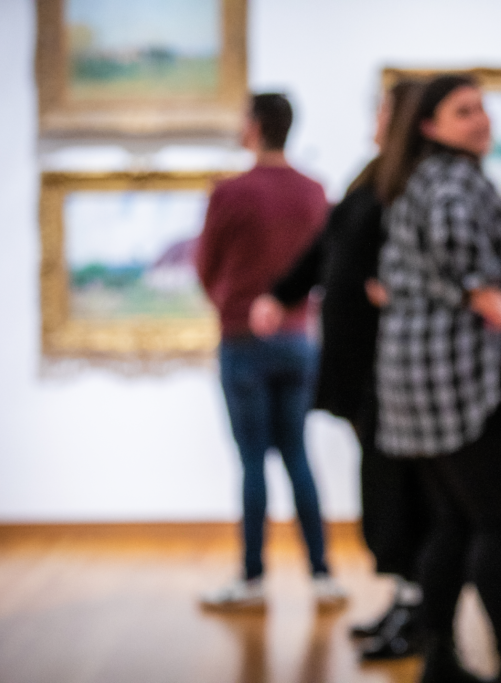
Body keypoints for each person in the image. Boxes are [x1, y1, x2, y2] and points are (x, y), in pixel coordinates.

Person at [376, 74, 501, 683]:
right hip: (467, 386)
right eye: (464, 111)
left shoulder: (422, 179)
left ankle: (440, 658)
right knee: (497, 525)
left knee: (453, 523)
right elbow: (460, 252)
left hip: (425, 387)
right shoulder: (454, 184)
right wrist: (482, 293)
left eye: (482, 108)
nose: (481, 120)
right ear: (430, 125)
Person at [250, 80, 430, 657]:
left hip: (394, 369)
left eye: (381, 110)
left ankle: (419, 610)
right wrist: (281, 294)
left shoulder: (410, 183)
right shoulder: (374, 175)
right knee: (385, 489)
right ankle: (405, 600)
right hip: (363, 368)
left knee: (405, 491)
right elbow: (328, 246)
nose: (373, 119)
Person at [195, 93, 346, 610]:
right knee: (298, 455)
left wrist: (232, 305)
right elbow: (327, 264)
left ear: (255, 126)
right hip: (299, 341)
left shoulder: (229, 192)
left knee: (253, 462)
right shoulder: (314, 191)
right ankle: (323, 575)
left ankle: (253, 579)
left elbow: (206, 265)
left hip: (243, 340)